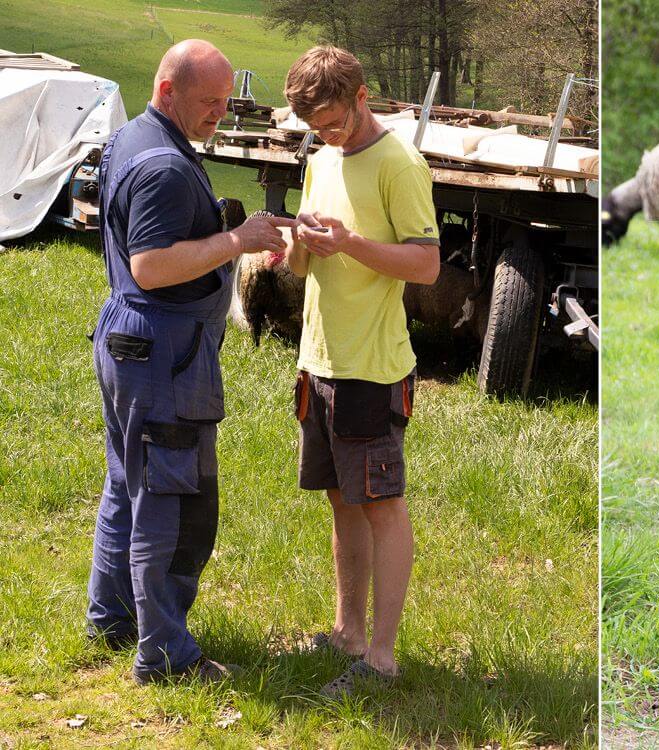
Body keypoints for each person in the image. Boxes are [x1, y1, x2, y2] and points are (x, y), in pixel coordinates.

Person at [87, 39, 296, 684]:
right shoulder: (163, 167)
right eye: (208, 102)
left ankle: (113, 618)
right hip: (165, 351)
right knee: (171, 499)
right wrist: (239, 239)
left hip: (135, 341)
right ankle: (165, 656)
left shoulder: (133, 138)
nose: (219, 114)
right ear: (166, 89)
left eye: (225, 101)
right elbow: (152, 267)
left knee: (130, 479)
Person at [281, 45, 440, 696]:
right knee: (342, 500)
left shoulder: (399, 163)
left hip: (371, 370)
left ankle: (381, 657)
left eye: (335, 122)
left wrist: (348, 244)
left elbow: (426, 266)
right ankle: (347, 631)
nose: (328, 135)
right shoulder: (320, 160)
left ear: (361, 95)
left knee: (383, 507)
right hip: (318, 361)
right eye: (317, 128)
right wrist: (294, 245)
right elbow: (304, 266)